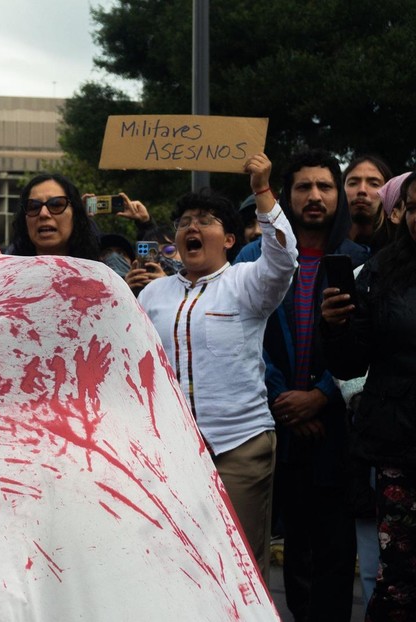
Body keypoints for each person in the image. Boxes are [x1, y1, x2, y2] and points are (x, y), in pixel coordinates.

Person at [138, 154, 297, 580]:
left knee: (237, 570)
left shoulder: (247, 281)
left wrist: (263, 191)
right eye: (185, 220)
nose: (192, 226)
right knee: (178, 567)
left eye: (205, 220)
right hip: (170, 453)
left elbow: (283, 260)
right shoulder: (152, 294)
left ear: (228, 239)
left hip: (239, 447)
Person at [234, 148, 369, 621]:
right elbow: (242, 337)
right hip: (272, 426)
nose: (314, 196)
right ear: (287, 196)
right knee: (288, 556)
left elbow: (368, 345)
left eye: (325, 186)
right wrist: (282, 399)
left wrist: (320, 397)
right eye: (303, 187)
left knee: (334, 551)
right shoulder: (254, 258)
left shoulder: (361, 260)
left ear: (340, 196)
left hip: (337, 429)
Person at [321, 170, 416, 621]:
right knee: (398, 578)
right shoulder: (381, 270)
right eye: (414, 208)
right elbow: (348, 365)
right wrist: (336, 326)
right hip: (399, 445)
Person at [7, 173, 99, 259]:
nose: (43, 214)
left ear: (76, 214)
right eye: (34, 207)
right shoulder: (5, 271)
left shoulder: (103, 271)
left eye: (56, 205)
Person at [344, 155, 393, 254]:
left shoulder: (399, 249)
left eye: (374, 184)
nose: (362, 190)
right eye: (353, 183)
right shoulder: (323, 243)